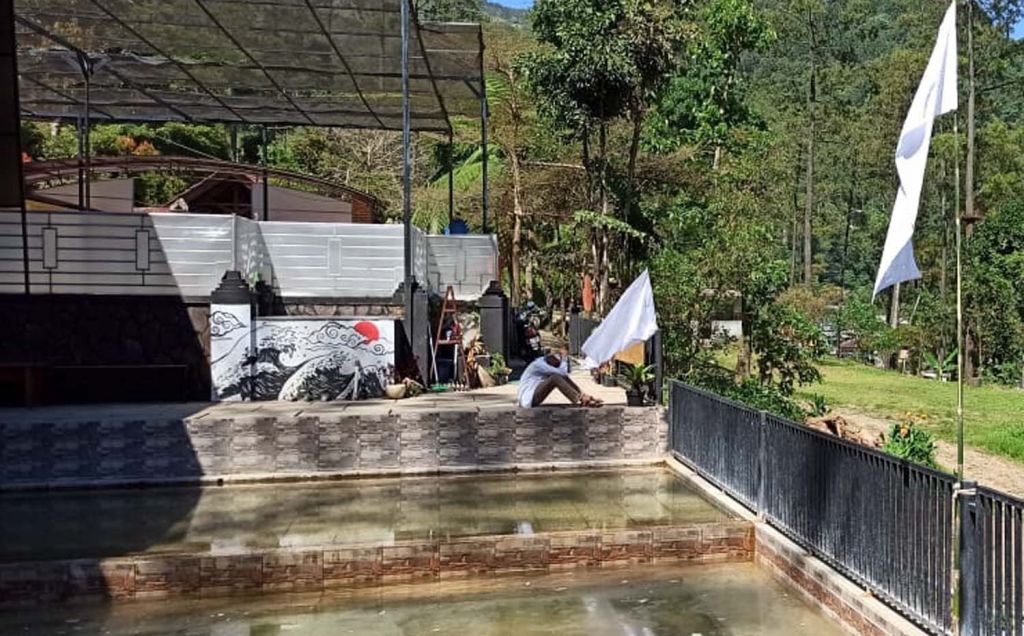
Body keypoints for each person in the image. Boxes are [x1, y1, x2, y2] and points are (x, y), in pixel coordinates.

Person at [517, 345, 603, 408]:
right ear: (549, 359)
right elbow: (563, 372)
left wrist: (583, 393)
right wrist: (564, 358)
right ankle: (580, 398)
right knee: (555, 378)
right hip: (528, 399)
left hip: (533, 395)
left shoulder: (544, 362)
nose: (554, 367)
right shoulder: (539, 365)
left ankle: (583, 396)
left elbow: (564, 376)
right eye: (555, 364)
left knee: (561, 377)